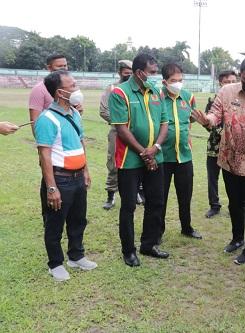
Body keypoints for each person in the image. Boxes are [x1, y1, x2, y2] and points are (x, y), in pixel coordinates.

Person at [192, 56, 245, 264]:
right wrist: (208, 120)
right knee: (234, 204)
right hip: (229, 160)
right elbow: (216, 114)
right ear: (240, 74)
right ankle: (237, 238)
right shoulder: (227, 91)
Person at [34, 70, 97, 282]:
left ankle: (76, 256)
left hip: (78, 177)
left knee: (78, 219)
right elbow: (45, 154)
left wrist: (86, 170)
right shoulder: (47, 118)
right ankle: (55, 263)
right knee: (54, 223)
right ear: (60, 92)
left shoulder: (75, 114)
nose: (76, 89)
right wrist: (51, 188)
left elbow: (81, 143)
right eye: (72, 86)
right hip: (60, 179)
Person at [108, 53, 169, 267]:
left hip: (155, 156)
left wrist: (155, 148)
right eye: (151, 72)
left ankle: (149, 244)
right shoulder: (120, 93)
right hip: (129, 160)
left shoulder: (156, 92)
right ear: (139, 72)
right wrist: (145, 153)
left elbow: (164, 122)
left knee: (156, 201)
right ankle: (129, 250)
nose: (155, 76)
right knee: (128, 206)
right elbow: (121, 129)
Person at [159, 63, 202, 240]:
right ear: (165, 81)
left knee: (185, 196)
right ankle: (158, 231)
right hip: (163, 157)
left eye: (180, 80)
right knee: (160, 198)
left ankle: (187, 227)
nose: (177, 84)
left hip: (184, 156)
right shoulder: (157, 97)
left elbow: (189, 121)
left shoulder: (188, 97)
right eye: (173, 81)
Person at [99, 60, 133, 210]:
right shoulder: (112, 89)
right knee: (113, 162)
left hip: (135, 132)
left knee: (135, 162)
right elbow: (103, 111)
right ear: (120, 73)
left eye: (131, 73)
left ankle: (136, 192)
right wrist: (120, 122)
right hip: (117, 132)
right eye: (126, 73)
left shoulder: (136, 89)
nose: (129, 76)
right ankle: (111, 195)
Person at [204, 70, 237, 219]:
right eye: (227, 82)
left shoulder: (240, 102)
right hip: (214, 148)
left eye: (233, 82)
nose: (231, 85)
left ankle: (234, 206)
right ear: (220, 83)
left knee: (233, 180)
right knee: (212, 178)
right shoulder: (212, 102)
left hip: (233, 149)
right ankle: (214, 206)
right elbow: (208, 124)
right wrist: (208, 124)